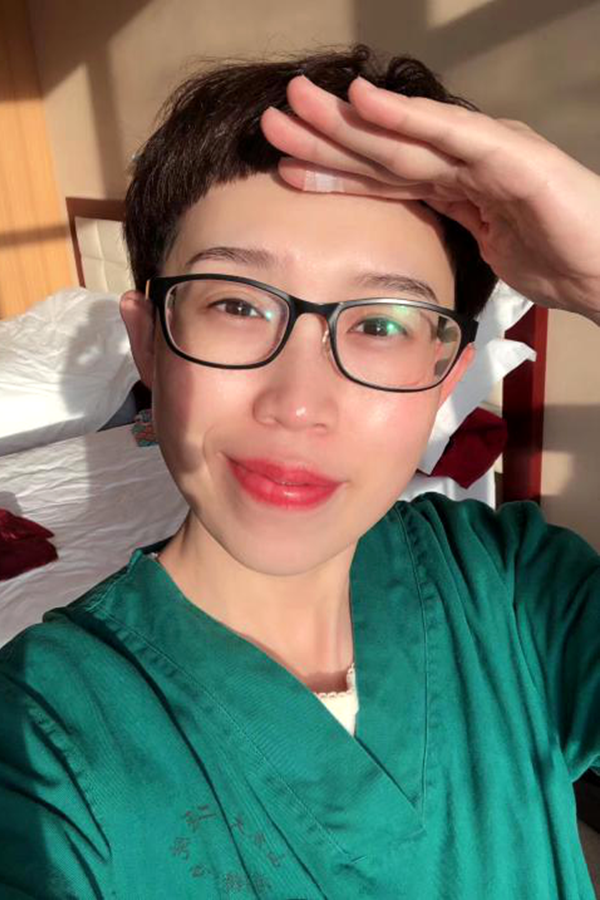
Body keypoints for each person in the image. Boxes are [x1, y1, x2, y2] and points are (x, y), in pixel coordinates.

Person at [0, 43, 598, 899]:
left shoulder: (513, 589)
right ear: (148, 345)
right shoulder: (39, 736)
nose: (298, 404)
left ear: (445, 373)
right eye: (236, 304)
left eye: (382, 325)